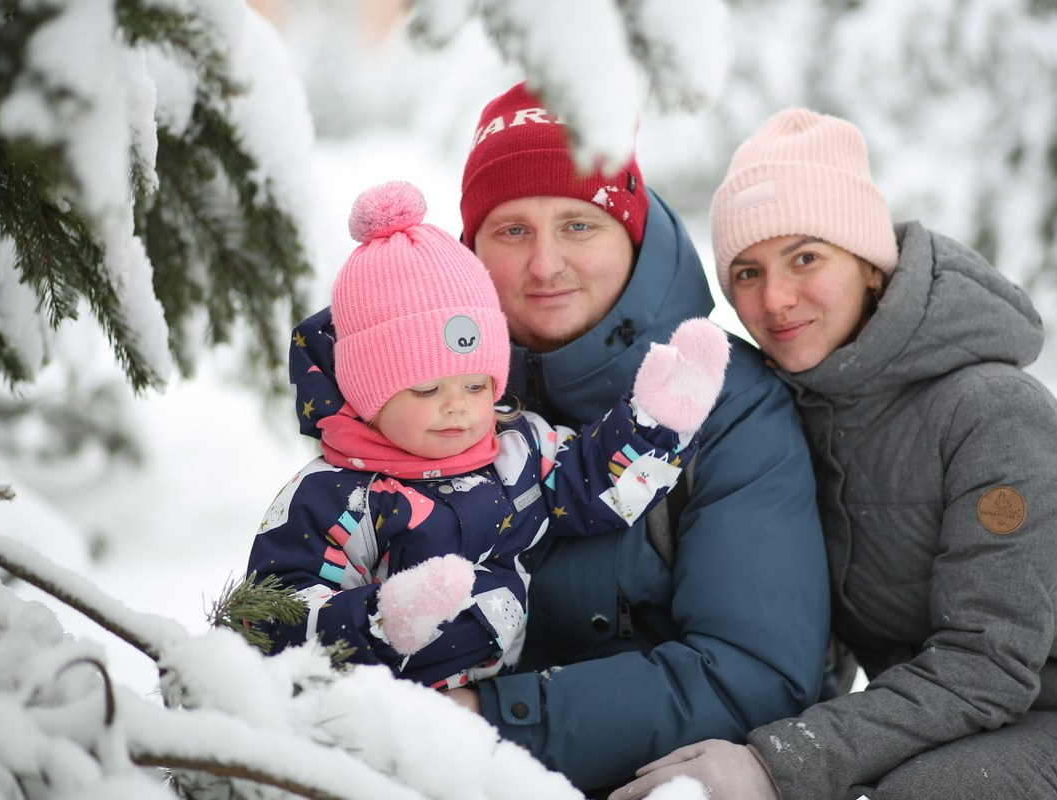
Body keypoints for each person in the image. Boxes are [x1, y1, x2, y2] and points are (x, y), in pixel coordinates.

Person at [279, 83, 832, 793]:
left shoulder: (721, 406)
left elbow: (754, 674)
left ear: (631, 234)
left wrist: (485, 721)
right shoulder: (398, 397)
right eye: (512, 231)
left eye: (578, 224)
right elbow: (299, 594)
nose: (544, 265)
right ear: (471, 248)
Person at [610, 109, 1057, 800]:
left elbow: (987, 666)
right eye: (748, 272)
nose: (775, 298)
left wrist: (777, 764)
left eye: (806, 258)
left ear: (871, 267)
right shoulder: (794, 415)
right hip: (971, 727)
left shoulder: (994, 415)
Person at [247, 179, 730, 690]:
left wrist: (656, 421)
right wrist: (384, 619)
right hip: (374, 711)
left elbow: (593, 483)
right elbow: (271, 616)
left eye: (476, 385)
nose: (456, 405)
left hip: (497, 704)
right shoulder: (334, 496)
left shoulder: (513, 450)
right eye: (426, 388)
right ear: (369, 394)